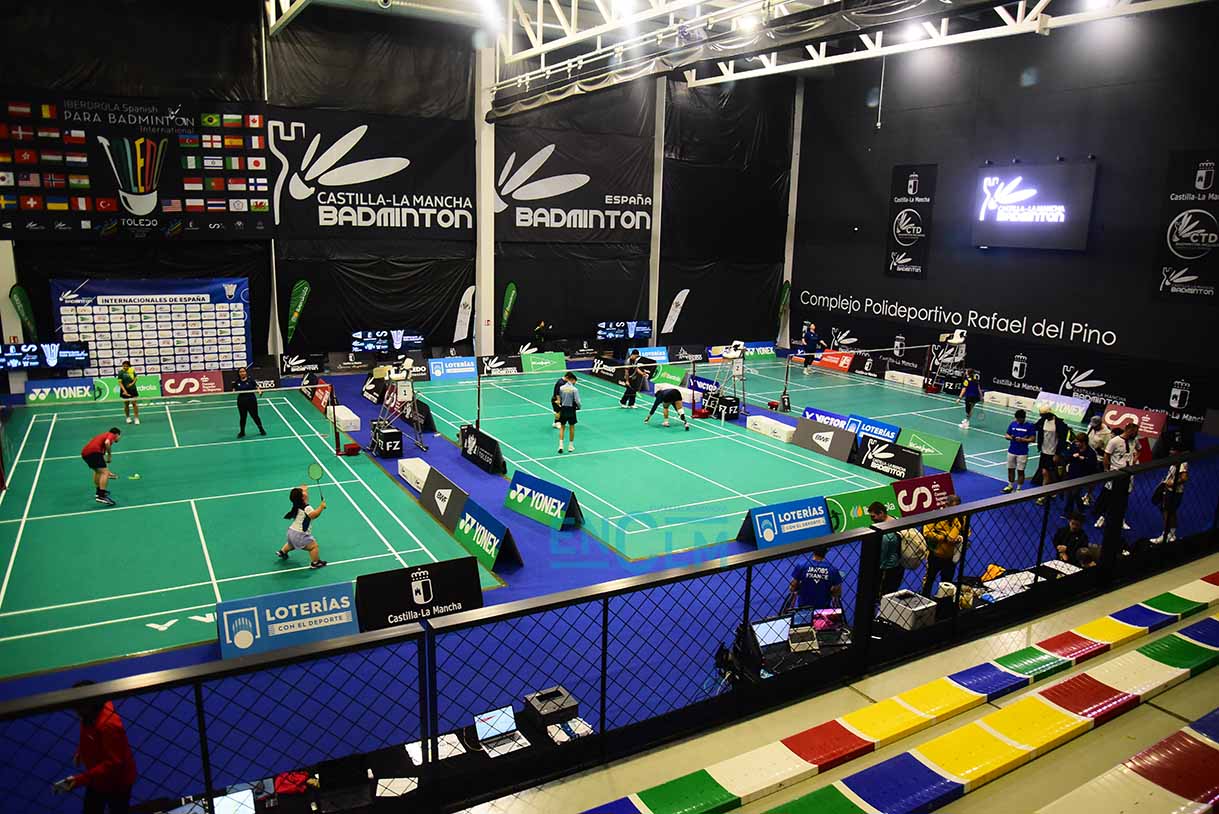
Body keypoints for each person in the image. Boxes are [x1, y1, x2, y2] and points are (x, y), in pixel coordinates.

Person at [58, 680, 137, 813]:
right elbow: (88, 734)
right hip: (98, 778)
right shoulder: (89, 714)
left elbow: (114, 764)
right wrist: (81, 750)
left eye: (77, 706)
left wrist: (79, 780)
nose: (74, 710)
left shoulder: (108, 726)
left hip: (118, 782)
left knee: (117, 809)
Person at [1096, 422, 1139, 530]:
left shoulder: (1134, 440)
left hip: (1129, 474)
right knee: (1109, 497)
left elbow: (1139, 449)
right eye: (1134, 432)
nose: (1136, 434)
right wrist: (1107, 470)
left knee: (1124, 498)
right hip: (1115, 474)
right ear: (1128, 430)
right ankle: (1102, 517)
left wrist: (1134, 459)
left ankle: (1121, 519)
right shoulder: (1114, 441)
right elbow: (1106, 455)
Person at [921, 495, 965, 597]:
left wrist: (959, 538)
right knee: (929, 579)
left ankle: (943, 600)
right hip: (935, 555)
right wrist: (944, 537)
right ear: (946, 505)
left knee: (947, 582)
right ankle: (925, 597)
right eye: (953, 508)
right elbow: (926, 533)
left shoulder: (961, 517)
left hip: (951, 557)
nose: (955, 512)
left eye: (957, 508)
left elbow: (966, 531)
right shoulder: (935, 516)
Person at [277, 485, 328, 568]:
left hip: (291, 532)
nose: (305, 492)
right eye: (303, 492)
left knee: (291, 544)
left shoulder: (297, 505)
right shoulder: (307, 508)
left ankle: (282, 552)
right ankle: (315, 562)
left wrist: (304, 490)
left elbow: (303, 497)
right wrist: (321, 507)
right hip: (300, 535)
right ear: (303, 497)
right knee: (314, 547)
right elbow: (314, 515)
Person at [1152, 443, 1189, 544]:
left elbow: (1184, 478)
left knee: (1167, 512)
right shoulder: (1177, 460)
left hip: (1173, 492)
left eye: (1172, 450)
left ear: (1177, 452)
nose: (1170, 452)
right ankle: (1172, 534)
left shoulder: (1181, 462)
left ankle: (1166, 534)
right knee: (1171, 512)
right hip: (1174, 491)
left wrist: (1171, 483)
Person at [1033, 406, 1071, 502]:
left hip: (1053, 453)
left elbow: (1062, 440)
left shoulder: (1059, 424)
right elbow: (1034, 427)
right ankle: (1045, 493)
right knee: (1045, 473)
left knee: (1051, 473)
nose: (1042, 416)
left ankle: (1046, 493)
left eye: (1043, 415)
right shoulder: (1042, 421)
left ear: (1048, 414)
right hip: (1044, 452)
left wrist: (1057, 454)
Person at [789, 544, 843, 609]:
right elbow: (837, 591)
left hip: (804, 608)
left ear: (813, 551)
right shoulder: (833, 569)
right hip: (823, 608)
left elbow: (792, 587)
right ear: (826, 552)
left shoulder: (802, 566)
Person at [868, 502, 904, 594]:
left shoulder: (886, 536)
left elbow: (882, 557)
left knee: (884, 593)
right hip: (900, 563)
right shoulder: (896, 519)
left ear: (881, 513)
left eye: (873, 516)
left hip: (888, 568)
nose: (872, 519)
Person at [81, 428, 122, 506]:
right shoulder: (111, 435)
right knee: (103, 473)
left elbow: (101, 462)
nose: (119, 438)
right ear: (117, 434)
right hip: (93, 452)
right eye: (120, 436)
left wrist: (108, 472)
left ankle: (98, 492)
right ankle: (101, 496)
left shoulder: (102, 437)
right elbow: (107, 442)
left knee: (98, 471)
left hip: (86, 453)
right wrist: (109, 455)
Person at [1063, 432, 1098, 515]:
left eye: (1078, 442)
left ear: (1083, 443)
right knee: (1071, 493)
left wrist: (1084, 459)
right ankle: (1080, 508)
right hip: (1072, 473)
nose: (1076, 443)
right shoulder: (1074, 447)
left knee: (1073, 493)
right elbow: (1066, 458)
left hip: (1082, 476)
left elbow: (1093, 466)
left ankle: (1068, 511)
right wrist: (1072, 456)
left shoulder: (1091, 453)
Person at [1002, 409, 1037, 493]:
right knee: (1010, 469)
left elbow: (1033, 439)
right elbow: (1007, 435)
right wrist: (1011, 438)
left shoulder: (1030, 426)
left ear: (1023, 418)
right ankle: (1010, 486)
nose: (1017, 420)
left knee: (1020, 471)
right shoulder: (1013, 424)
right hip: (1011, 451)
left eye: (1019, 419)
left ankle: (1018, 488)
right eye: (1017, 418)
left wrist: (1022, 440)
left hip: (1022, 453)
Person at [1083, 416, 1113, 506]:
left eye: (1095, 426)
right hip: (1087, 455)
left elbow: (1108, 451)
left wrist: (1100, 450)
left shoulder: (1107, 434)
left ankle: (1088, 496)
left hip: (1098, 459)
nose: (1093, 427)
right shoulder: (1091, 427)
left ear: (1100, 424)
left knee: (1092, 480)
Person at [233, 367, 266, 438]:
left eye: (243, 371)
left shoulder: (251, 380)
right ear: (239, 373)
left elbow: (257, 387)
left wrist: (259, 391)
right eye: (240, 372)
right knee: (243, 417)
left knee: (255, 416)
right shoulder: (237, 382)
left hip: (251, 400)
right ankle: (242, 432)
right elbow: (234, 390)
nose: (242, 373)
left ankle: (261, 429)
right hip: (241, 401)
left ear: (246, 372)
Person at [556, 371, 580, 453]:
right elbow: (577, 401)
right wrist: (579, 407)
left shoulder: (561, 388)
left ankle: (560, 446)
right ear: (572, 380)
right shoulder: (574, 389)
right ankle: (570, 446)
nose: (575, 383)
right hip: (571, 410)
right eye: (575, 381)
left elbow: (560, 398)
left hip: (563, 409)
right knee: (571, 427)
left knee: (562, 427)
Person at [117, 361, 139, 425]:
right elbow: (120, 383)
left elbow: (136, 378)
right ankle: (128, 417)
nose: (125, 367)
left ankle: (136, 418)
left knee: (134, 403)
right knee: (126, 404)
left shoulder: (132, 370)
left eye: (127, 366)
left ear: (129, 366)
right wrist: (124, 391)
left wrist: (132, 384)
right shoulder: (121, 372)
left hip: (133, 389)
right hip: (124, 390)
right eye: (124, 366)